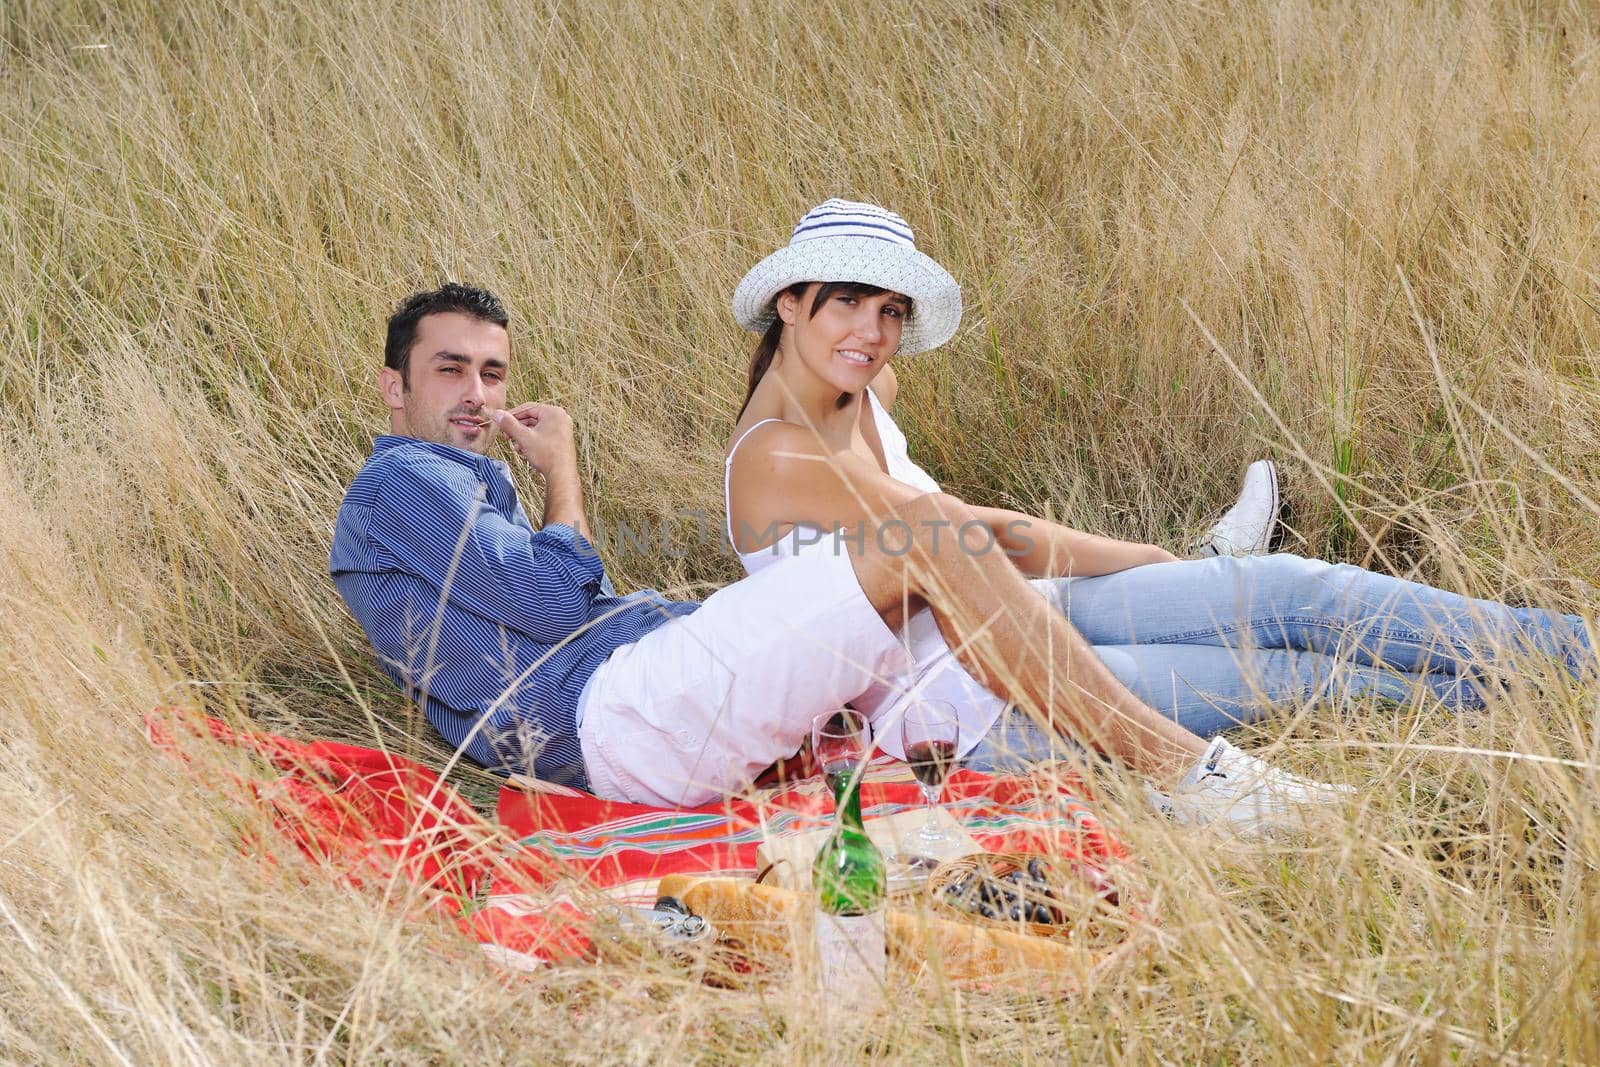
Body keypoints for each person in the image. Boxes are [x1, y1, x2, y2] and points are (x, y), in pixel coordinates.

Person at [329, 283, 1359, 834]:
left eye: (493, 370)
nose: (477, 391)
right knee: (928, 540)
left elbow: (553, 597)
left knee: (935, 552)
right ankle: (1203, 781)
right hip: (614, 713)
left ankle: (1207, 735)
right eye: (449, 368)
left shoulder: (464, 487)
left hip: (634, 701)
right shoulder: (404, 481)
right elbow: (557, 600)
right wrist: (567, 476)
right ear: (392, 386)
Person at [723, 198, 1594, 791]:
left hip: (1025, 611)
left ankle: (1572, 650)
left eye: (888, 310)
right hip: (972, 705)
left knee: (1295, 588)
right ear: (790, 306)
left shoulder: (867, 392)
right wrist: (1143, 560)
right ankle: (1537, 708)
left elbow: (994, 559)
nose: (872, 333)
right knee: (1302, 678)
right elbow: (976, 534)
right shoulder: (777, 457)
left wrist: (1146, 576)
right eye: (845, 304)